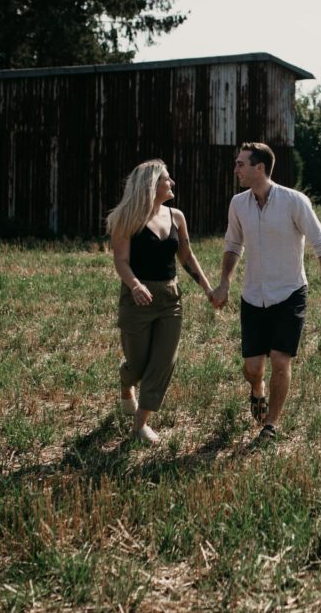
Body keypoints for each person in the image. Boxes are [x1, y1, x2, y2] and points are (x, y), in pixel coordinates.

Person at [209, 142, 321, 445]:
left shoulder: (294, 201)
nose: (236, 169)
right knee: (254, 368)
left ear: (260, 168)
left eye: (241, 164)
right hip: (253, 295)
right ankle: (258, 390)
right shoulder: (238, 204)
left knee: (281, 362)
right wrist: (225, 282)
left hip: (290, 292)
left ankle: (271, 426)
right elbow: (232, 245)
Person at [106, 159, 214, 444]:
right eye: (167, 179)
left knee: (163, 362)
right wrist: (135, 285)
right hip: (137, 299)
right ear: (152, 185)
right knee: (138, 365)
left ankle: (140, 424)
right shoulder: (126, 218)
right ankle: (126, 380)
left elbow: (187, 257)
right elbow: (121, 261)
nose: (172, 183)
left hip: (170, 299)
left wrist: (207, 288)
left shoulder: (176, 216)